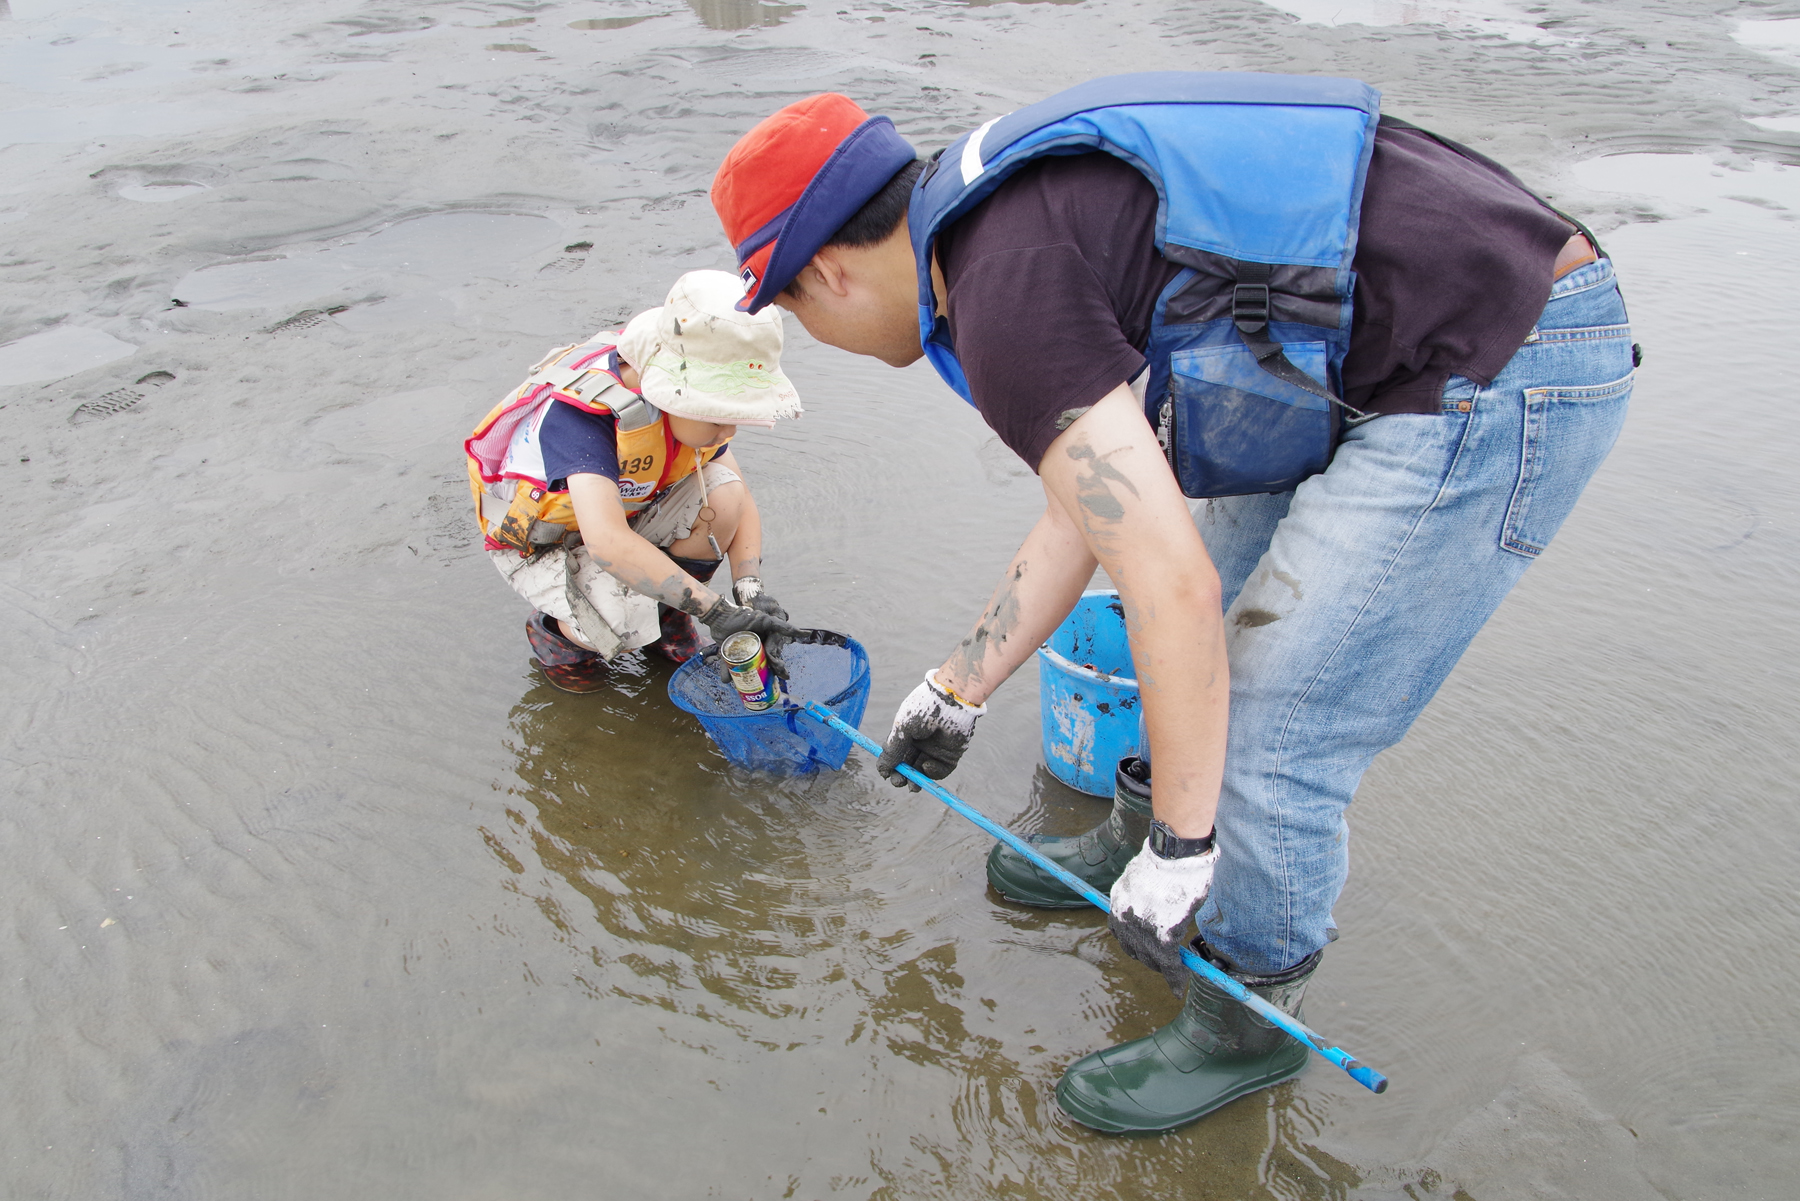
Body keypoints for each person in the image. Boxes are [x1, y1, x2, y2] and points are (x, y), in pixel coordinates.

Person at [709, 78, 1634, 1131]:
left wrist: (1191, 850)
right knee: (1205, 640)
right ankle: (1139, 834)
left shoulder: (1002, 290)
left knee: (1275, 719)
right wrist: (956, 688)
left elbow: (1171, 586)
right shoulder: (985, 232)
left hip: (1500, 353)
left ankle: (1250, 1021)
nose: (810, 328)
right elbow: (1090, 510)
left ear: (824, 271)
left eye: (787, 307)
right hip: (1354, 346)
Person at [467, 269, 803, 694]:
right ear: (673, 392)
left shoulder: (691, 412)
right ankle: (559, 636)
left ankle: (668, 617)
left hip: (626, 510)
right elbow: (607, 544)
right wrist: (715, 612)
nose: (729, 431)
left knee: (723, 494)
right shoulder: (580, 418)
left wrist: (748, 590)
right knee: (619, 620)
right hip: (546, 542)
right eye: (720, 417)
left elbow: (740, 494)